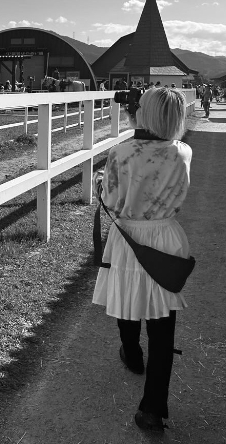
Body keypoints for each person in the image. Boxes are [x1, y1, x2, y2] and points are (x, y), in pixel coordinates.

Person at [92, 87, 192, 433]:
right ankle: (152, 410)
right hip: (165, 235)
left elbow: (112, 201)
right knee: (163, 325)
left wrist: (102, 185)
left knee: (127, 294)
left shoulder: (120, 153)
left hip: (130, 235)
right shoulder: (183, 152)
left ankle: (132, 351)